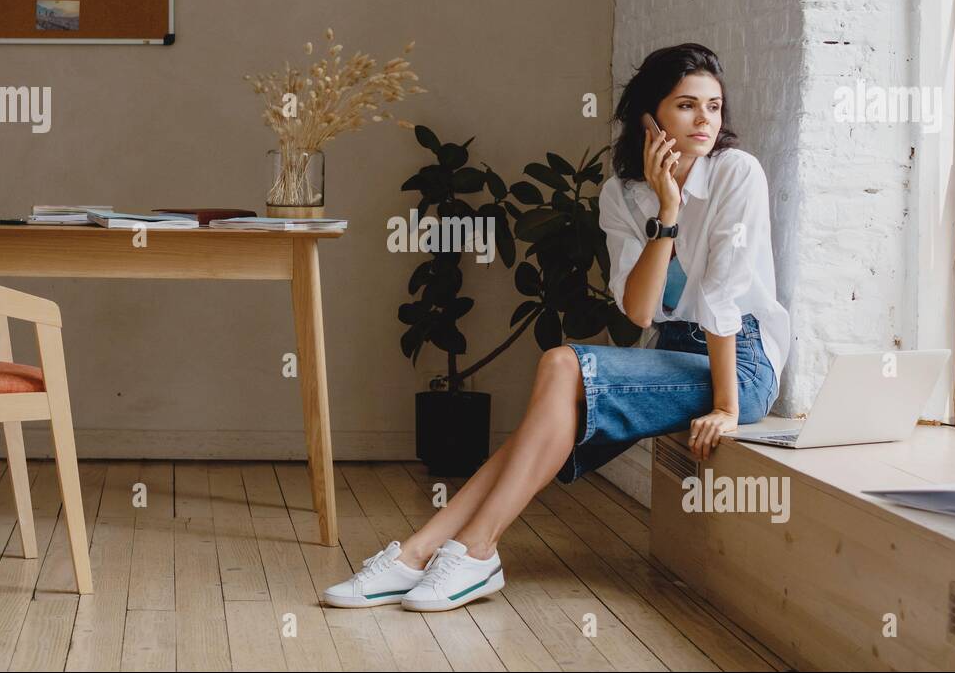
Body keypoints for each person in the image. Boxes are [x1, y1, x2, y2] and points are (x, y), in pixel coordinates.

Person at [322, 43, 790, 612]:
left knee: (563, 363)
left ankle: (473, 551)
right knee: (544, 416)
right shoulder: (624, 193)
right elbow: (640, 312)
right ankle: (418, 554)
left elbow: (722, 297)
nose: (705, 121)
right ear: (651, 118)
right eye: (687, 106)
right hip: (672, 350)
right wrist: (666, 214)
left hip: (738, 362)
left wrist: (727, 407)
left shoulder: (737, 173)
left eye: (714, 107)